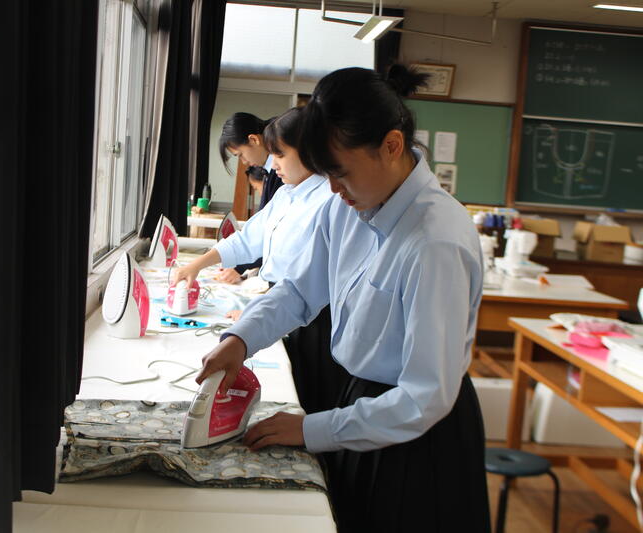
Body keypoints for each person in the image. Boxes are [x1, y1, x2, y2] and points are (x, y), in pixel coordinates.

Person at [195, 65, 490, 532]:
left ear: (391, 146)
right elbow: (299, 289)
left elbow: (424, 396)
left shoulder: (435, 241)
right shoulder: (347, 206)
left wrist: (312, 428)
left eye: (341, 172)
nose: (333, 189)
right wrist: (241, 338)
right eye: (326, 173)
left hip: (416, 433)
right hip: (361, 402)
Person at [173, 107, 333, 302]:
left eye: (280, 155)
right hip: (281, 299)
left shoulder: (329, 200)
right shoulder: (285, 194)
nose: (274, 165)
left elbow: (308, 280)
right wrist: (196, 265)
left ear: (306, 150)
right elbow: (248, 240)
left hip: (301, 304)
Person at [215, 113, 284, 284]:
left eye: (240, 155)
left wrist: (239, 267)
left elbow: (269, 232)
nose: (244, 162)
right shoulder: (271, 173)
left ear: (253, 140)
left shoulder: (281, 176)